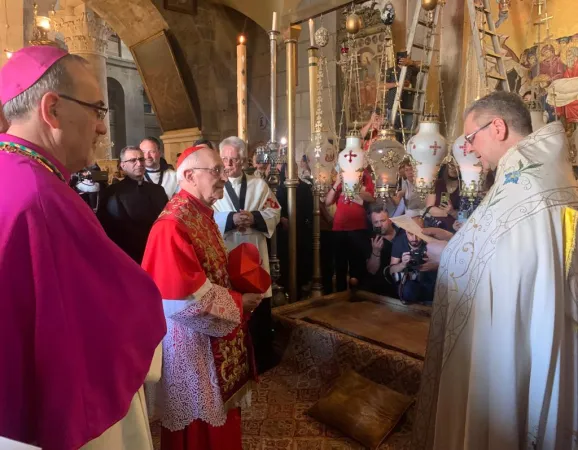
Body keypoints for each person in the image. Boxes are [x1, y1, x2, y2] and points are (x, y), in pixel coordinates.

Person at [0, 46, 165, 450]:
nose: (102, 128)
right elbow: (115, 316)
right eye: (96, 110)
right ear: (52, 110)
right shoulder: (41, 196)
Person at [412, 91, 578, 450]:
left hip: (518, 331)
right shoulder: (534, 174)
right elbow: (506, 250)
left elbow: (510, 263)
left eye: (471, 137)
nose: (469, 149)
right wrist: (456, 238)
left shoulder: (524, 184)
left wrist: (447, 254)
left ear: (498, 127)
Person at [142, 145, 263, 450]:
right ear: (189, 175)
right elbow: (181, 300)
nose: (223, 177)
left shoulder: (201, 214)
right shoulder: (172, 225)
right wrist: (239, 303)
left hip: (211, 339)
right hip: (193, 346)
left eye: (223, 169)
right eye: (216, 171)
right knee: (198, 432)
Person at [212, 136, 281, 373]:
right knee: (231, 303)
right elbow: (206, 215)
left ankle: (261, 357)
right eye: (225, 159)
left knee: (258, 304)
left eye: (234, 159)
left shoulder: (259, 185)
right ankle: (234, 360)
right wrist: (230, 218)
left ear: (243, 160)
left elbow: (275, 211)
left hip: (255, 251)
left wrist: (254, 217)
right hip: (227, 250)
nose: (229, 164)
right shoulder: (213, 185)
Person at [97, 146, 168, 264]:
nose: (139, 163)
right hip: (129, 256)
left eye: (141, 159)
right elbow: (108, 228)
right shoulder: (112, 192)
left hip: (158, 252)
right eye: (133, 160)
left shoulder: (158, 190)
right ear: (123, 165)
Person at [325, 167, 375, 291]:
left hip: (358, 228)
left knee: (357, 263)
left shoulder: (365, 177)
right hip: (339, 228)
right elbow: (327, 202)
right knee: (340, 263)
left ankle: (357, 294)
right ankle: (340, 294)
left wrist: (355, 187)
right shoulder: (339, 181)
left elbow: (372, 198)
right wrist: (337, 183)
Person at [389, 216, 437, 304]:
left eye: (418, 234)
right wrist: (403, 264)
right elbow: (391, 271)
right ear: (405, 231)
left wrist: (433, 264)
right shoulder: (399, 241)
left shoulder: (431, 241)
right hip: (410, 283)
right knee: (407, 289)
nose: (414, 238)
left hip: (429, 281)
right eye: (410, 234)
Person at [361, 201, 398, 297]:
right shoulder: (371, 240)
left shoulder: (402, 234)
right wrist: (375, 252)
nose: (379, 225)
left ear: (390, 219)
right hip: (381, 286)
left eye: (383, 221)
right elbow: (371, 270)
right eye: (376, 222)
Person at [424, 161, 461, 230]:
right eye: (451, 165)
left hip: (453, 228)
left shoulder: (466, 187)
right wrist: (446, 212)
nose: (453, 168)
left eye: (457, 165)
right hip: (434, 226)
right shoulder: (437, 183)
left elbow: (465, 216)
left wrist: (453, 212)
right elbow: (429, 208)